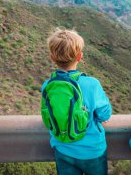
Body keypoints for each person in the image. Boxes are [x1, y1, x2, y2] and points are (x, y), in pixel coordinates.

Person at [41, 28, 112, 175]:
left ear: (52, 58)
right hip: (92, 151)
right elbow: (105, 115)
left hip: (63, 149)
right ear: (79, 57)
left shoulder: (48, 86)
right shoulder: (92, 84)